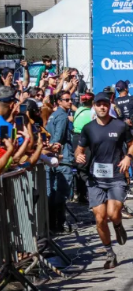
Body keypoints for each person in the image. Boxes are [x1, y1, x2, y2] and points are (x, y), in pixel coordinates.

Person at [75, 92, 133, 270]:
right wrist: (79, 156)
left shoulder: (120, 126)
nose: (102, 107)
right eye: (99, 104)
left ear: (109, 106)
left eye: (105, 104)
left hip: (116, 177)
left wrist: (128, 157)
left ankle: (118, 225)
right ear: (94, 106)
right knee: (100, 218)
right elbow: (79, 150)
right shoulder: (88, 128)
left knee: (112, 213)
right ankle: (109, 252)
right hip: (96, 179)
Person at [45, 90, 75, 230]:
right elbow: (57, 138)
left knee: (54, 191)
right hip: (62, 158)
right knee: (61, 193)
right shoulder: (62, 116)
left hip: (54, 158)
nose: (70, 102)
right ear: (59, 101)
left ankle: (55, 223)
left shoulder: (53, 115)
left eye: (70, 99)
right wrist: (55, 152)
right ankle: (58, 223)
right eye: (67, 99)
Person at [71, 92, 94, 204]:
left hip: (76, 139)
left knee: (80, 167)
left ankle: (80, 194)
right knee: (84, 167)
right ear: (92, 102)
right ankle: (90, 191)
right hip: (85, 140)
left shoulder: (79, 110)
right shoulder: (91, 113)